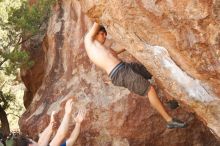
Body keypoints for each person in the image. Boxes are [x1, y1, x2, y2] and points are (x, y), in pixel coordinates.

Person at [84, 22, 187, 129]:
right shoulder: (89, 42)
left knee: (153, 71)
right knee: (149, 89)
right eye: (102, 33)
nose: (105, 36)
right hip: (120, 73)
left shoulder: (103, 48)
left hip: (125, 67)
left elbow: (119, 50)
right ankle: (169, 120)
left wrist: (132, 41)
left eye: (106, 34)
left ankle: (170, 100)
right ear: (94, 34)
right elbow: (96, 21)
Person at [10, 99, 86, 146]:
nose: (34, 140)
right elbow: (60, 135)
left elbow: (71, 140)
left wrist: (78, 123)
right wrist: (67, 113)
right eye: (31, 140)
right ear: (30, 145)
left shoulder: (39, 144)